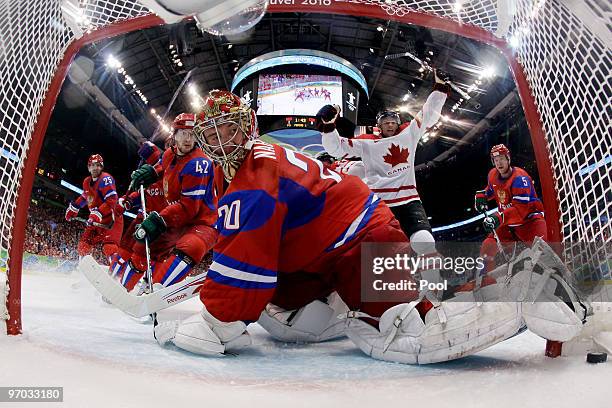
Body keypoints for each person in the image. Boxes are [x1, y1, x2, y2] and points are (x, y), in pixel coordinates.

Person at [153, 90, 584, 364]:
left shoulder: (255, 172)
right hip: (327, 242)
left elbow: (247, 253)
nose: (217, 141)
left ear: (247, 127)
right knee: (283, 312)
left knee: (407, 325)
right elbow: (332, 153)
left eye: (227, 129)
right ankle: (343, 304)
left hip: (364, 231)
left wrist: (216, 319)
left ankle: (521, 284)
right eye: (211, 133)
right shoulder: (258, 160)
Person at [319, 70, 449, 258]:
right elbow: (336, 149)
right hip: (378, 202)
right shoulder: (367, 142)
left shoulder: (409, 132)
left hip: (408, 199)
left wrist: (441, 89)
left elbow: (429, 113)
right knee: (370, 251)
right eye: (385, 122)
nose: (390, 125)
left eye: (393, 121)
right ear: (379, 126)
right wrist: (329, 128)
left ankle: (432, 287)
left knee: (425, 242)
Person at [127, 113, 219, 291]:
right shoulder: (170, 153)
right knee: (144, 247)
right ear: (174, 135)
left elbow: (189, 208)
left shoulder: (199, 163)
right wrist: (152, 172)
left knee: (191, 247)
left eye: (192, 133)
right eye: (183, 133)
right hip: (179, 220)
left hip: (204, 222)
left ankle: (158, 291)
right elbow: (163, 166)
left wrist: (159, 219)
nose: (188, 138)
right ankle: (128, 286)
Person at [475, 144, 547, 271]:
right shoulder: (492, 175)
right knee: (487, 246)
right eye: (496, 160)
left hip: (529, 222)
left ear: (508, 159)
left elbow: (520, 211)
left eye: (502, 158)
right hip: (507, 223)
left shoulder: (520, 178)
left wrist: (498, 217)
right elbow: (493, 190)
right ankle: (485, 281)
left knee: (545, 255)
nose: (499, 163)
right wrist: (483, 195)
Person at [65, 154, 124, 266]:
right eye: (92, 165)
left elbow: (112, 200)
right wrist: (74, 208)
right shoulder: (86, 182)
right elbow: (85, 197)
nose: (95, 168)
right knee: (84, 243)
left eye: (98, 165)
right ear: (88, 167)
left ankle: (118, 273)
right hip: (96, 219)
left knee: (109, 247)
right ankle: (82, 268)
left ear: (101, 167)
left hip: (111, 219)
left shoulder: (106, 179)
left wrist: (97, 213)